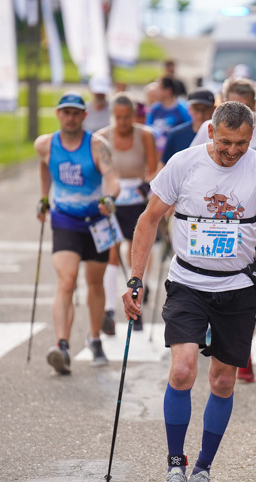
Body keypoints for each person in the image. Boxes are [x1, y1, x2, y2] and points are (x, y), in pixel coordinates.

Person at [122, 101, 256, 482]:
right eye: (225, 142)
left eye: (241, 143)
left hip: (237, 288)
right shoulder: (183, 165)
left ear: (251, 137)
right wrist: (136, 278)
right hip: (186, 282)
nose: (232, 151)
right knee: (183, 370)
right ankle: (174, 468)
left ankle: (202, 470)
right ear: (210, 133)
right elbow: (149, 219)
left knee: (222, 381)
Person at [191, 77, 256, 383]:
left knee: (248, 288)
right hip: (215, 225)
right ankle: (222, 332)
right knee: (215, 285)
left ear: (253, 104)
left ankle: (242, 349)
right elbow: (191, 169)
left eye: (245, 106)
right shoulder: (207, 129)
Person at [34, 91, 121, 373]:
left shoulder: (97, 146)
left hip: (95, 221)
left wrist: (109, 199)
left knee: (94, 284)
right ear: (58, 114)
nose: (70, 117)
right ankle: (62, 346)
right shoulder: (45, 145)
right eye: (65, 112)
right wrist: (44, 197)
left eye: (75, 113)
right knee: (67, 281)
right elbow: (44, 168)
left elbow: (112, 178)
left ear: (84, 116)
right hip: (65, 220)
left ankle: (94, 338)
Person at [97, 93, 158, 335]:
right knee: (112, 255)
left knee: (136, 256)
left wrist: (146, 184)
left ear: (133, 115)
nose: (122, 123)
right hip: (113, 200)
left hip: (136, 201)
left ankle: (136, 307)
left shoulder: (144, 135)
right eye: (118, 118)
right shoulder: (102, 138)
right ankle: (109, 312)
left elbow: (153, 169)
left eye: (127, 118)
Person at [160, 89, 216, 167]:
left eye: (205, 110)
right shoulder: (175, 135)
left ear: (214, 109)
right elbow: (164, 166)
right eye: (196, 109)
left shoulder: (220, 136)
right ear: (189, 109)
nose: (200, 115)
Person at [146, 77, 191, 158]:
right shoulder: (154, 109)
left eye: (158, 88)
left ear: (167, 91)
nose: (154, 92)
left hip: (177, 156)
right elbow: (147, 130)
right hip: (157, 156)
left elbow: (190, 131)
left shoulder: (183, 109)